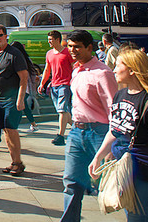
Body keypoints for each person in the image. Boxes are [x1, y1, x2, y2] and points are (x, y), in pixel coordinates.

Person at [89, 47, 148, 222]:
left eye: (118, 65)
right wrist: (98, 157)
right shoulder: (120, 95)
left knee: (138, 219)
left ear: (131, 69)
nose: (113, 69)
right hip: (123, 169)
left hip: (146, 175)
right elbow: (115, 130)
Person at [60, 30, 118, 222]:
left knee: (112, 182)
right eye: (70, 46)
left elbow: (113, 111)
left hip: (99, 132)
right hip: (77, 132)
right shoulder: (76, 71)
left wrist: (110, 144)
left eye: (77, 46)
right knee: (71, 182)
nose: (73, 50)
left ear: (89, 48)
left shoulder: (103, 73)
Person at [0, 24, 28, 176]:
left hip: (12, 98)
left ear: (6, 36)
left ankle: (18, 163)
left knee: (11, 129)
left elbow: (24, 77)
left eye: (0, 35)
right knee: (6, 130)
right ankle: (14, 161)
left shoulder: (14, 54)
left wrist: (20, 99)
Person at [38, 30, 73, 146]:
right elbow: (47, 70)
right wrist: (42, 83)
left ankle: (60, 136)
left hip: (65, 84)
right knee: (63, 111)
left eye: (50, 40)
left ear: (58, 39)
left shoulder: (67, 52)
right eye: (48, 40)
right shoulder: (49, 53)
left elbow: (74, 67)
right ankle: (79, 129)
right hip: (54, 85)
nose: (48, 42)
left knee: (62, 110)